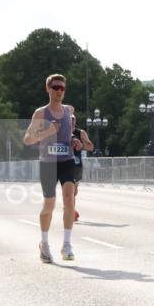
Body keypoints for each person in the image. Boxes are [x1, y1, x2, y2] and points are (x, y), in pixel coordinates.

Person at [22, 74, 78, 263]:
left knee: (70, 199)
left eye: (62, 88)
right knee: (49, 205)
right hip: (47, 163)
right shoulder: (41, 113)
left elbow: (68, 135)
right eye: (55, 87)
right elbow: (28, 139)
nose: (59, 91)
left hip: (66, 160)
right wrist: (47, 131)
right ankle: (44, 243)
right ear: (48, 88)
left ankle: (67, 245)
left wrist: (74, 141)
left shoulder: (69, 110)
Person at [70, 114, 94, 222]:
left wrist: (81, 145)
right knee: (68, 189)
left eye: (73, 120)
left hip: (77, 164)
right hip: (64, 163)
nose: (71, 122)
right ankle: (70, 210)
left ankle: (70, 208)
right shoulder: (60, 132)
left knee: (74, 191)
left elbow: (91, 147)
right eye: (69, 120)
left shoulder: (81, 133)